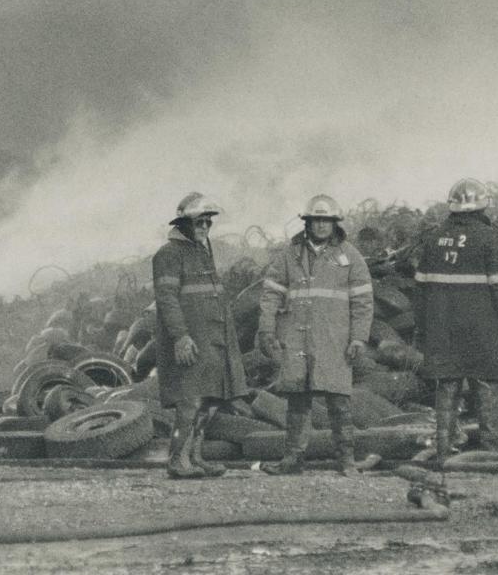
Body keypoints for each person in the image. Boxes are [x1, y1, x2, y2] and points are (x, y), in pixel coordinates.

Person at [255, 194, 375, 475]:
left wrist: (358, 338)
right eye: (316, 220)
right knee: (297, 400)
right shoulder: (290, 255)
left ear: (335, 224)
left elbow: (363, 302)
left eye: (327, 221)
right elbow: (271, 294)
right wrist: (266, 328)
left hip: (334, 339)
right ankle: (292, 460)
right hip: (297, 339)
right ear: (307, 222)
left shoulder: (350, 256)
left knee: (339, 401)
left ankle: (346, 461)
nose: (321, 226)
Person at [412, 178, 498, 462]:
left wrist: (422, 329)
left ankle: (443, 451)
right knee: (485, 390)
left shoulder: (434, 240)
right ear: (482, 207)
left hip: (442, 330)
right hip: (480, 331)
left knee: (447, 389)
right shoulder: (489, 239)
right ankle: (491, 454)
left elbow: (419, 291)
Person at [152, 193, 246, 479]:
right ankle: (177, 460)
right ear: (184, 224)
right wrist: (180, 336)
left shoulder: (202, 250)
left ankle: (195, 456)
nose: (205, 226)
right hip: (190, 340)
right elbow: (166, 298)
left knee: (210, 400)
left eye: (208, 222)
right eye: (199, 222)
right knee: (189, 400)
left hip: (214, 338)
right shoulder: (168, 254)